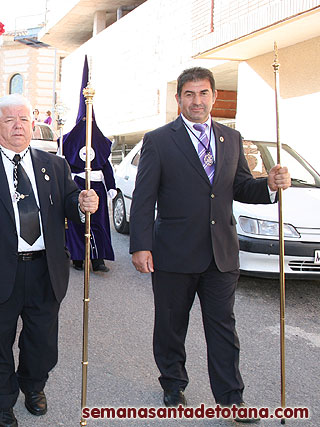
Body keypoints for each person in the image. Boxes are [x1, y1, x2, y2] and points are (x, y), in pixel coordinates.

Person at [129, 67, 290, 418]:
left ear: (214, 97)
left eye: (203, 93)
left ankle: (232, 399)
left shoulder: (231, 139)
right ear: (179, 100)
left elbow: (242, 186)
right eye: (189, 94)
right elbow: (144, 197)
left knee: (223, 329)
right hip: (173, 254)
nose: (197, 101)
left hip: (221, 255)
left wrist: (270, 185)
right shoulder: (159, 140)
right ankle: (173, 383)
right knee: (171, 326)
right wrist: (141, 245)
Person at [0, 94, 99, 427]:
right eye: (9, 120)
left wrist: (83, 203)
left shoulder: (55, 165)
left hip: (45, 269)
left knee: (41, 340)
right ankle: (2, 400)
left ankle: (33, 386)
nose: (18, 126)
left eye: (24, 119)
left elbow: (71, 204)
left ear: (33, 125)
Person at [64, 55, 116, 273]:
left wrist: (111, 186)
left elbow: (106, 166)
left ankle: (98, 258)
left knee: (99, 223)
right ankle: (78, 256)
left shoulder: (100, 140)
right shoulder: (68, 140)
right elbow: (64, 164)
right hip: (77, 184)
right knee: (77, 223)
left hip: (97, 186)